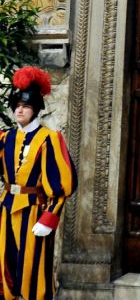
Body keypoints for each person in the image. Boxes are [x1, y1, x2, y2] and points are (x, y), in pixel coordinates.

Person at [0, 66, 77, 300]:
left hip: (34, 211)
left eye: (26, 106)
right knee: (6, 262)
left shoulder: (49, 139)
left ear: (35, 110)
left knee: (33, 268)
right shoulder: (5, 137)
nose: (20, 110)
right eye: (18, 106)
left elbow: (62, 186)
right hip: (6, 209)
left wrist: (49, 218)